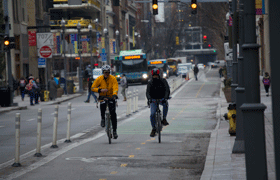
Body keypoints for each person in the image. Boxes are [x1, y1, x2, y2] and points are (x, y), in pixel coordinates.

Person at [91, 65, 119, 139]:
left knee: (113, 114)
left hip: (111, 96)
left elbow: (115, 87)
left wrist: (114, 95)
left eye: (108, 72)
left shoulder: (113, 78)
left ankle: (114, 131)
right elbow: (93, 87)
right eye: (105, 72)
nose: (107, 74)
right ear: (103, 72)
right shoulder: (99, 79)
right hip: (102, 96)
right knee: (102, 106)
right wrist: (100, 90)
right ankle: (103, 119)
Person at [146, 68, 170, 137]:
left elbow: (167, 90)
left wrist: (165, 98)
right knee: (152, 114)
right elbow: (147, 92)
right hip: (153, 99)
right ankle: (153, 128)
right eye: (154, 76)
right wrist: (149, 99)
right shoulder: (150, 82)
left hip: (162, 98)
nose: (155, 77)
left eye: (156, 75)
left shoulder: (163, 81)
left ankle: (164, 119)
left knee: (165, 105)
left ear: (159, 75)